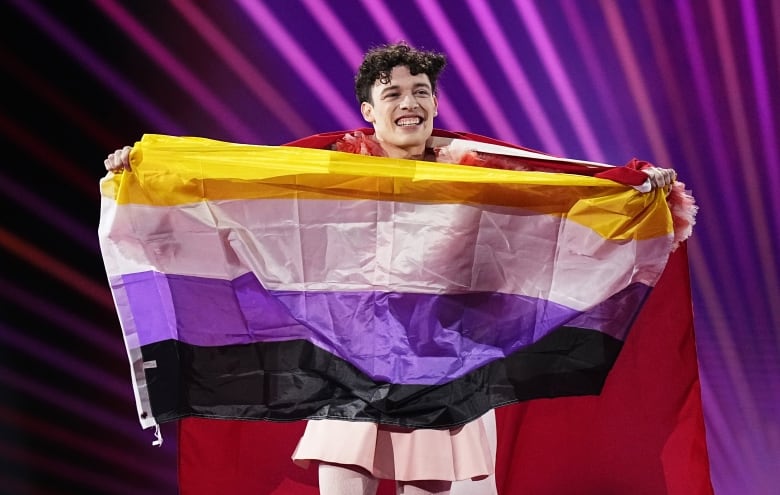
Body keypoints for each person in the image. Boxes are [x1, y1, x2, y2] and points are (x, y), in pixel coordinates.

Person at [105, 42, 678, 495]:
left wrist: (631, 186)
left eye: (421, 90)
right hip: (350, 357)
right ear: (368, 111)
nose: (410, 101)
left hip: (444, 358)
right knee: (346, 474)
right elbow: (236, 178)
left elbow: (558, 185)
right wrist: (148, 168)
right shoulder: (334, 164)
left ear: (433, 103)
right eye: (394, 92)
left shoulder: (471, 166)